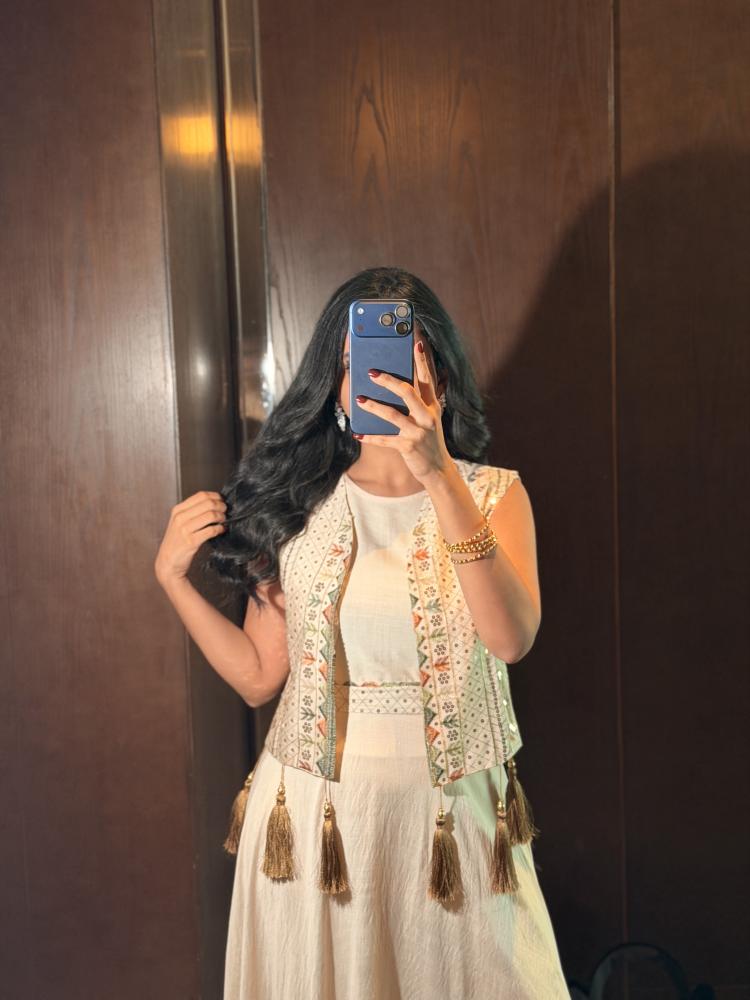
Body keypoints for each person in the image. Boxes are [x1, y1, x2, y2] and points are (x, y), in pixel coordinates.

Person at [154, 266, 570, 999]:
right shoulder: (297, 503)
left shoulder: (492, 494)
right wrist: (172, 581)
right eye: (354, 363)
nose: (374, 379)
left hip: (451, 823)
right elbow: (258, 676)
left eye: (398, 358)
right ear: (332, 382)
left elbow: (510, 639)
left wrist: (438, 474)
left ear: (439, 373)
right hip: (320, 825)